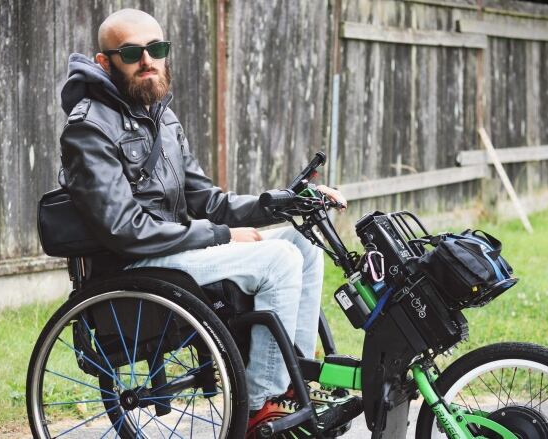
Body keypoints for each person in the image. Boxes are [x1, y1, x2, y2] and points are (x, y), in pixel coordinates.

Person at [58, 8, 360, 437]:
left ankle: (292, 380)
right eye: (132, 52)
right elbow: (125, 230)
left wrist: (288, 202)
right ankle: (259, 408)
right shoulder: (88, 128)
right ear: (104, 62)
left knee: (301, 246)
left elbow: (210, 201)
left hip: (175, 254)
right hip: (132, 268)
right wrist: (221, 236)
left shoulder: (161, 117)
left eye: (157, 50)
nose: (148, 60)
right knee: (277, 260)